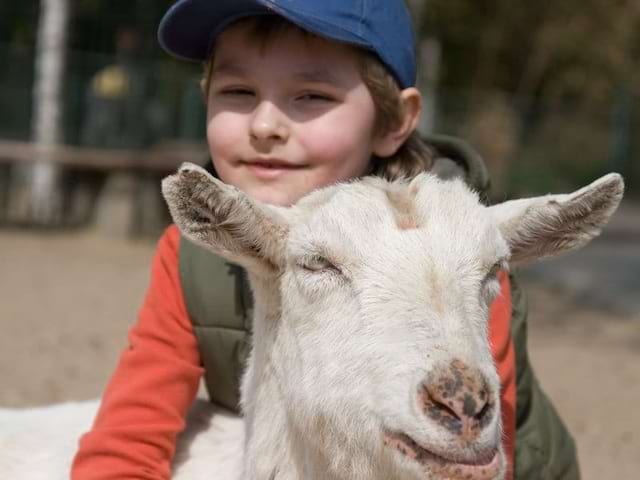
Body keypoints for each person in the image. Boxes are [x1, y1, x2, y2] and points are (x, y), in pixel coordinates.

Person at [71, 1, 580, 479]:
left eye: (311, 96)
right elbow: (132, 433)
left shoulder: (459, 251)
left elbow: (471, 440)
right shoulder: (197, 253)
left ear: (394, 121)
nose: (265, 125)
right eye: (237, 93)